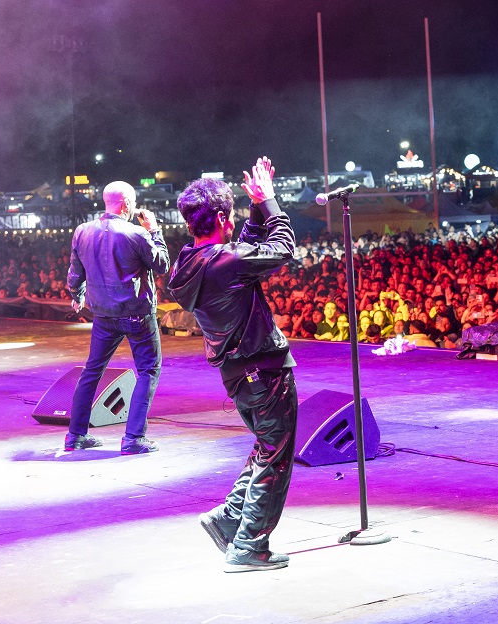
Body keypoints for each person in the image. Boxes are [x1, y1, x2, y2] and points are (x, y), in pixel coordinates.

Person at [168, 156, 297, 573]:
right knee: (275, 455)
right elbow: (282, 249)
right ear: (222, 218)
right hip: (263, 369)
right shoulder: (226, 262)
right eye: (234, 215)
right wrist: (269, 201)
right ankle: (249, 547)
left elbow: (241, 252)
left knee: (266, 446)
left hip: (238, 373)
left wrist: (256, 208)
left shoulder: (189, 262)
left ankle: (227, 520)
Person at [64, 181, 169, 454]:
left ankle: (75, 435)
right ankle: (133, 438)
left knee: (92, 371)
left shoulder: (82, 231)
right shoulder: (137, 233)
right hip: (137, 314)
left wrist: (77, 294)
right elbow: (161, 264)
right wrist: (154, 231)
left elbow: (75, 271)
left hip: (103, 314)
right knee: (148, 370)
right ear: (127, 204)